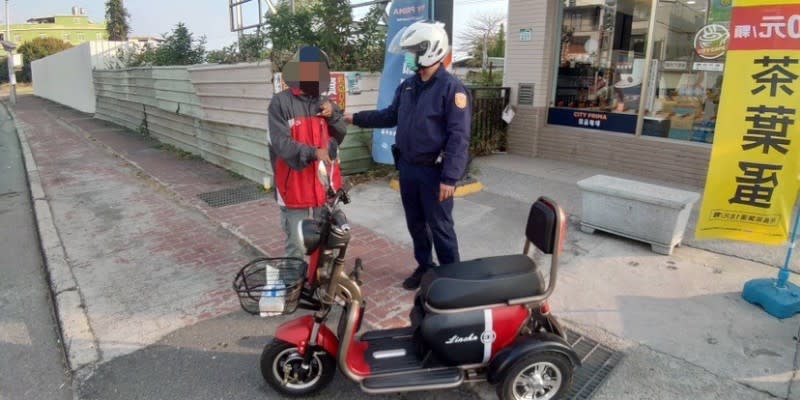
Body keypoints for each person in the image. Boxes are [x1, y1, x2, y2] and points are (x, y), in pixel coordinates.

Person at [344, 20, 471, 290]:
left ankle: (453, 280)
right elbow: (389, 116)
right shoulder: (409, 86)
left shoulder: (452, 89)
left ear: (430, 50)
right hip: (409, 168)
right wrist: (353, 117)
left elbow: (458, 137)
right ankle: (425, 267)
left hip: (435, 173)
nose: (409, 57)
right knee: (416, 224)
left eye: (413, 51)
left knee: (441, 228)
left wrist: (450, 177)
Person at [268, 46, 347, 260]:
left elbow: (340, 135)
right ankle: (294, 288)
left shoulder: (325, 102)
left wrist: (333, 116)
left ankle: (321, 288)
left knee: (325, 243)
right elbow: (281, 144)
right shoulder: (280, 103)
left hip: (323, 187)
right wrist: (314, 153)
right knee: (297, 244)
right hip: (293, 187)